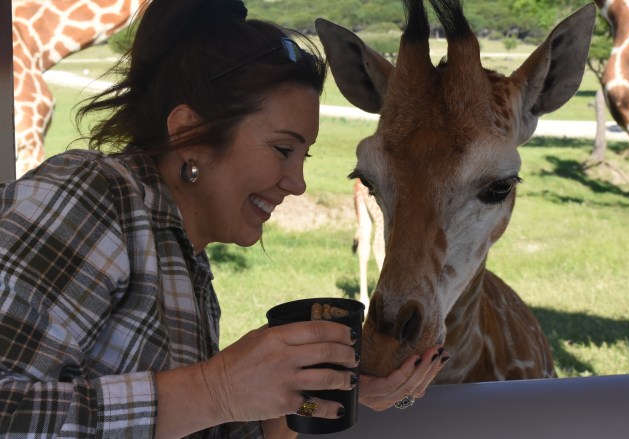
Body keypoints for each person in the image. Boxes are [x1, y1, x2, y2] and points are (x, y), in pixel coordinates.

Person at [0, 0, 448, 437]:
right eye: (283, 150)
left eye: (304, 156)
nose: (298, 183)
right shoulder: (94, 195)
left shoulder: (186, 264)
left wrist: (311, 393)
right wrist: (215, 388)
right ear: (189, 133)